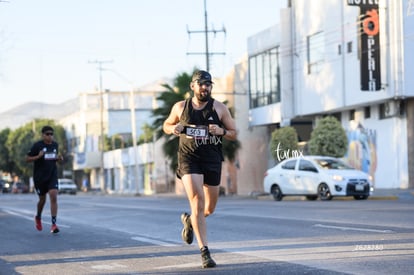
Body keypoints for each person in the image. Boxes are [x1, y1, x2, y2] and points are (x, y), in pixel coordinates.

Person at [163, 70, 237, 268]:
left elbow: (233, 133)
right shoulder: (180, 107)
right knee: (197, 200)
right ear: (192, 86)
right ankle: (205, 252)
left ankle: (190, 220)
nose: (205, 87)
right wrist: (174, 129)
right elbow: (166, 125)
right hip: (189, 158)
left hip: (212, 159)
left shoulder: (219, 109)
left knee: (209, 208)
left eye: (208, 84)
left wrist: (221, 131)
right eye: (201, 83)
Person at [26, 125, 63, 234]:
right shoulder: (37, 145)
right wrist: (38, 156)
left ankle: (54, 224)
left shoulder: (55, 145)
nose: (50, 136)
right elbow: (27, 158)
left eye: (52, 134)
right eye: (47, 134)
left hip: (52, 176)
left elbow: (54, 158)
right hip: (40, 178)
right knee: (42, 200)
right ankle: (38, 217)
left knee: (53, 196)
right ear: (43, 135)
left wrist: (59, 159)